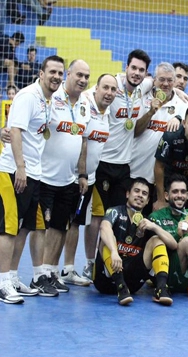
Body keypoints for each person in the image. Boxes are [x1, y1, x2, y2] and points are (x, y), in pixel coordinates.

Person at [0, 55, 64, 304]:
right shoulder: (27, 96)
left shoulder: (48, 100)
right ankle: (3, 282)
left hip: (35, 174)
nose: (57, 77)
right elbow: (14, 130)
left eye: (60, 73)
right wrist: (21, 167)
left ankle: (13, 277)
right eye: (52, 72)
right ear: (41, 73)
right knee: (7, 229)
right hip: (13, 172)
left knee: (23, 229)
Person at [84, 50, 153, 280]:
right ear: (126, 67)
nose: (136, 73)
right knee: (97, 218)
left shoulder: (142, 90)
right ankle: (89, 263)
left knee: (115, 219)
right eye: (133, 68)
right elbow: (85, 95)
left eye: (141, 70)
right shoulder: (112, 86)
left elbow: (162, 81)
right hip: (102, 163)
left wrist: (181, 94)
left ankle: (111, 263)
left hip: (124, 166)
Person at [26, 59, 90, 295]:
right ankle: (37, 275)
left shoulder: (86, 103)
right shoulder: (50, 98)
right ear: (68, 75)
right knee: (40, 228)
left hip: (69, 179)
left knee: (60, 228)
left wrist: (82, 173)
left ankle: (50, 272)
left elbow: (83, 142)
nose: (82, 80)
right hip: (43, 176)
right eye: (78, 75)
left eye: (86, 76)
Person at [60, 74, 118, 286]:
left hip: (91, 176)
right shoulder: (84, 102)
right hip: (74, 176)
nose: (109, 93)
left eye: (113, 89)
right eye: (105, 88)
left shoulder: (108, 111)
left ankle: (69, 270)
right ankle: (61, 268)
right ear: (96, 89)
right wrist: (81, 174)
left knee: (77, 222)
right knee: (66, 222)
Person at [94, 177, 176, 306]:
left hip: (132, 284)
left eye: (144, 194)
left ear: (148, 200)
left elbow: (173, 244)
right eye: (136, 191)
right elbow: (104, 227)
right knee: (106, 240)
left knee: (157, 240)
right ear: (128, 194)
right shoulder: (115, 211)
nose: (140, 195)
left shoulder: (148, 221)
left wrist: (154, 227)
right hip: (105, 280)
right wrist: (114, 252)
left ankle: (161, 288)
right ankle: (120, 287)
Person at [130, 62, 188, 216]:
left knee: (153, 226)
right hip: (137, 171)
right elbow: (135, 132)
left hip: (164, 178)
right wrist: (150, 112)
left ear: (175, 82)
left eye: (170, 80)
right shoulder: (142, 99)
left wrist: (179, 120)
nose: (166, 84)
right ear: (154, 80)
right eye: (162, 79)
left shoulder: (183, 106)